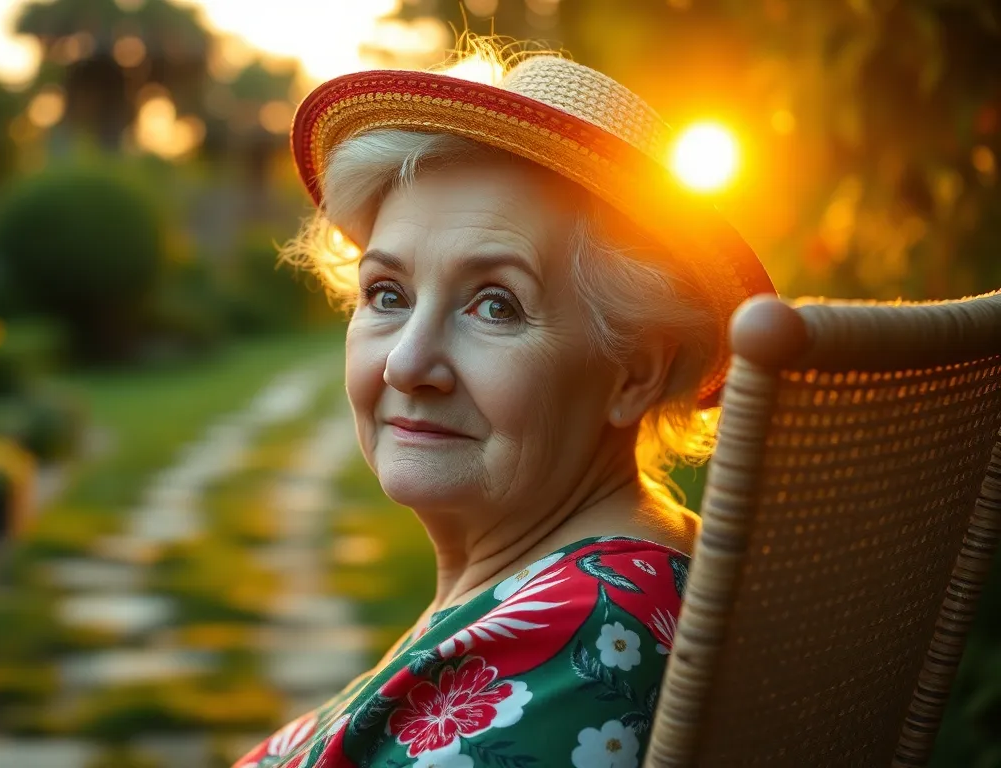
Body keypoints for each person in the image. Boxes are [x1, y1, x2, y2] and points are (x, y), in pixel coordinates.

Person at [234, 47, 775, 768]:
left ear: (636, 373)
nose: (406, 364)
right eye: (387, 294)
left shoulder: (584, 634)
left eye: (496, 305)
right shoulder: (543, 591)